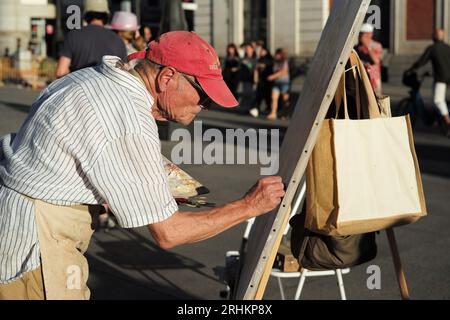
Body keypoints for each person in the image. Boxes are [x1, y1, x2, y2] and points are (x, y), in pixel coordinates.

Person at [0, 31, 285, 300]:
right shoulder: (129, 120)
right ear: (167, 77)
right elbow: (169, 232)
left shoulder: (89, 78)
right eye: (204, 95)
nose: (205, 106)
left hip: (18, 223)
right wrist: (249, 205)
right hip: (36, 245)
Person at [56, 0, 127, 78]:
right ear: (106, 15)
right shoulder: (118, 41)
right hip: (110, 89)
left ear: (86, 14)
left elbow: (60, 72)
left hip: (80, 88)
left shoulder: (73, 36)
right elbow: (124, 73)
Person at [409, 28, 450, 130]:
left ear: (434, 36)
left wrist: (412, 68)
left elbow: (422, 61)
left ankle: (448, 121)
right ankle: (438, 118)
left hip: (441, 78)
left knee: (438, 100)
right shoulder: (448, 48)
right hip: (447, 78)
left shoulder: (432, 48)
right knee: (438, 98)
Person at [354, 23, 384, 95]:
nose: (360, 36)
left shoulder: (376, 46)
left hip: (374, 79)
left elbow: (376, 60)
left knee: (376, 100)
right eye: (360, 34)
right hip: (361, 78)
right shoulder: (357, 48)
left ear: (370, 34)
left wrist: (367, 46)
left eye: (363, 34)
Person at [249, 47, 273, 118]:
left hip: (268, 81)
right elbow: (256, 70)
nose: (261, 52)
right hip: (261, 80)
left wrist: (260, 65)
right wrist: (256, 80)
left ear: (266, 51)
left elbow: (268, 66)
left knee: (267, 96)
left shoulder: (269, 60)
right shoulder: (259, 59)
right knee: (259, 95)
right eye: (261, 51)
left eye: (263, 51)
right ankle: (256, 109)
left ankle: (268, 108)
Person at [267, 48, 290, 120]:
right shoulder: (275, 62)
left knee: (285, 99)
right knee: (274, 98)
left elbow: (284, 71)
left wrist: (272, 76)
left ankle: (285, 114)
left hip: (284, 82)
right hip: (276, 82)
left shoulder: (285, 62)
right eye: (276, 54)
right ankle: (273, 113)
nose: (277, 55)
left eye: (278, 54)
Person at [239, 43, 258, 113]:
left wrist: (255, 80)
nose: (247, 50)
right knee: (245, 94)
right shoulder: (243, 58)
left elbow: (255, 70)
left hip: (251, 79)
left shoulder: (255, 59)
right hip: (244, 79)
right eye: (246, 49)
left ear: (252, 49)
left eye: (249, 48)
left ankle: (252, 108)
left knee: (251, 94)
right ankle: (246, 108)